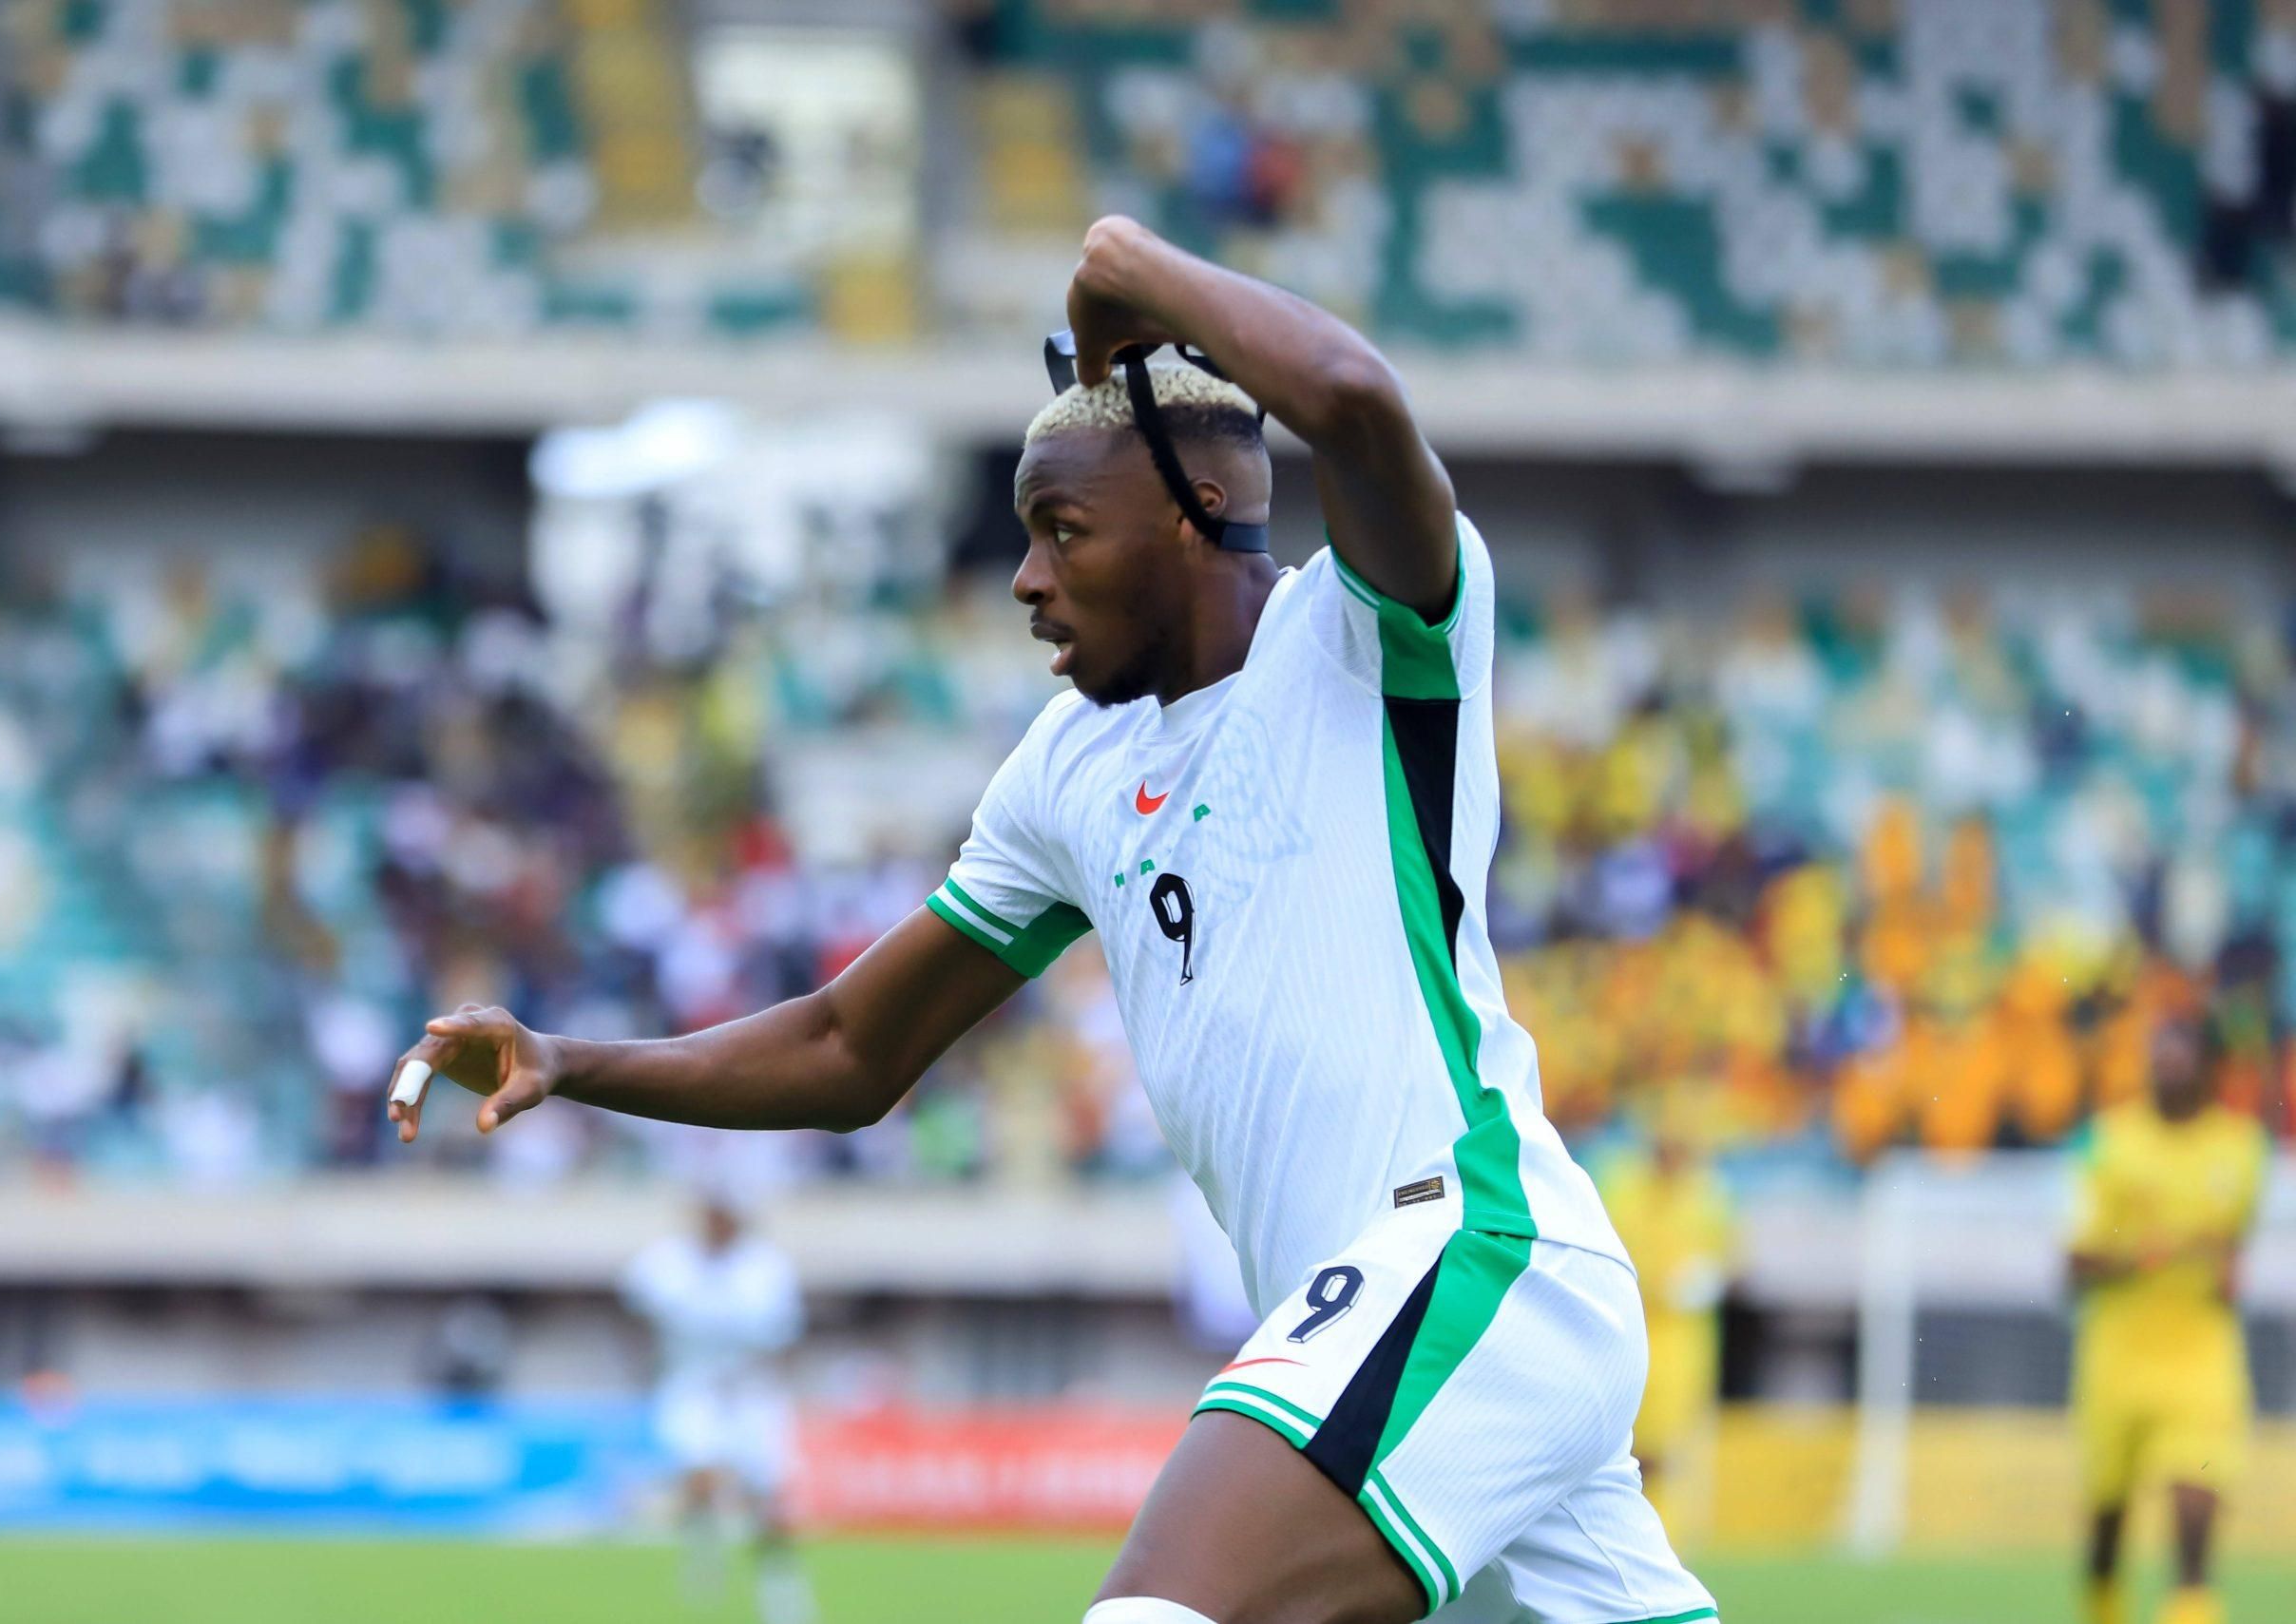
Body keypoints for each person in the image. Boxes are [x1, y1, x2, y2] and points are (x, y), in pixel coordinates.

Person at [387, 214, 1715, 1624]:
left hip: (1466, 1254)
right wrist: (570, 1061)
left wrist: (1132, 264)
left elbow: (1351, 397)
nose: (1025, 579)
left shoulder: (1361, 637)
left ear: (1201, 509)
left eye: (1063, 530)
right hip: (1415, 1320)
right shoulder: (1068, 768)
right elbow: (847, 1046)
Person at [2067, 1015, 2269, 1624]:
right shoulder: (2106, 1142)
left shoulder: (2242, 1148)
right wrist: (2143, 1258)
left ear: (2210, 1071)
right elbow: (2073, 1265)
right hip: (2118, 1354)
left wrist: (2223, 1270)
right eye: (2158, 1063)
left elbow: (2233, 1245)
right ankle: (2104, 1605)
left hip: (2200, 1352)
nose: (2165, 1075)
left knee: (2195, 1504)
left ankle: (2190, 1606)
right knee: (2108, 1525)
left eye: (2178, 1064)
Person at [622, 1194, 813, 1624]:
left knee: (765, 1496)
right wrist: (651, 1368)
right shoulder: (668, 1263)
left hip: (752, 1389)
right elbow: (637, 1316)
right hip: (692, 1385)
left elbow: (785, 1337)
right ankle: (704, 1553)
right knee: (700, 1475)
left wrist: (763, 1381)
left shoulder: (766, 1269)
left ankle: (779, 1586)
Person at [1597, 1098, 1734, 1544]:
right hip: (1623, 1324)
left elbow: (1729, 1257)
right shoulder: (1620, 1181)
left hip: (1679, 1338)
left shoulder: (1708, 1193)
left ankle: (1657, 1539)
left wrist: (1706, 1278)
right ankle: (1618, 1532)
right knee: (1621, 1442)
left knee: (1665, 1450)